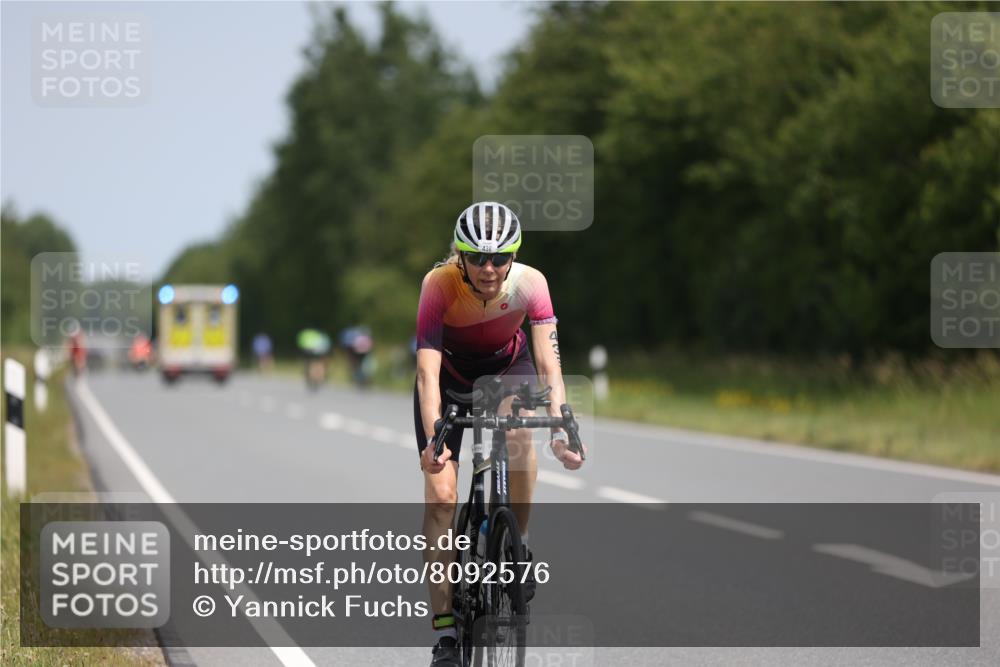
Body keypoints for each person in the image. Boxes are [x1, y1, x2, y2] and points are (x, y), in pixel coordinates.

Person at [414, 201, 587, 666]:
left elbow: (550, 362)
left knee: (519, 439)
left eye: (499, 258)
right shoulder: (439, 285)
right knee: (442, 497)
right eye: (477, 258)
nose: (489, 269)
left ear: (513, 256)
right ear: (461, 257)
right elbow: (427, 375)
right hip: (449, 378)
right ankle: (447, 632)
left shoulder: (532, 284)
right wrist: (435, 438)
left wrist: (561, 424)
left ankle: (519, 546)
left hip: (508, 369)